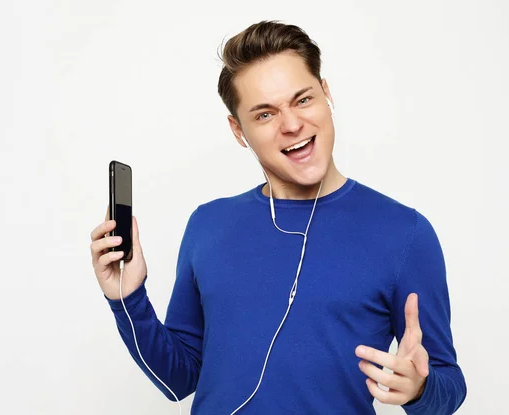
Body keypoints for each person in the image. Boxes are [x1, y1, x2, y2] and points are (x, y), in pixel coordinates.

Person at [89, 20, 467, 414]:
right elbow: (177, 380)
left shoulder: (404, 233)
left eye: (302, 100)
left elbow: (447, 388)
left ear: (326, 93)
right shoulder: (207, 225)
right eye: (265, 115)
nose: (291, 125)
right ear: (239, 131)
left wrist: (420, 388)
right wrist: (127, 298)